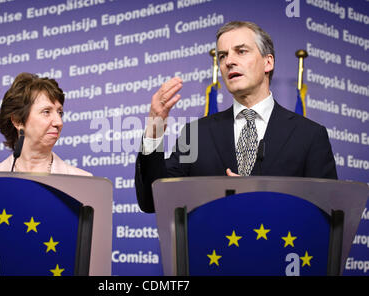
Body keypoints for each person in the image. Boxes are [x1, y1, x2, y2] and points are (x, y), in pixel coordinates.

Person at [135, 21, 337, 213]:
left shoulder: (309, 135)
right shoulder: (195, 134)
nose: (229, 61)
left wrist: (261, 200)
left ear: (268, 62)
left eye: (241, 51)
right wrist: (155, 126)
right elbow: (153, 200)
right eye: (222, 56)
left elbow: (328, 213)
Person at [0, 72, 92, 176]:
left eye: (60, 113)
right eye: (46, 112)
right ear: (18, 121)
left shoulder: (83, 181)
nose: (59, 122)